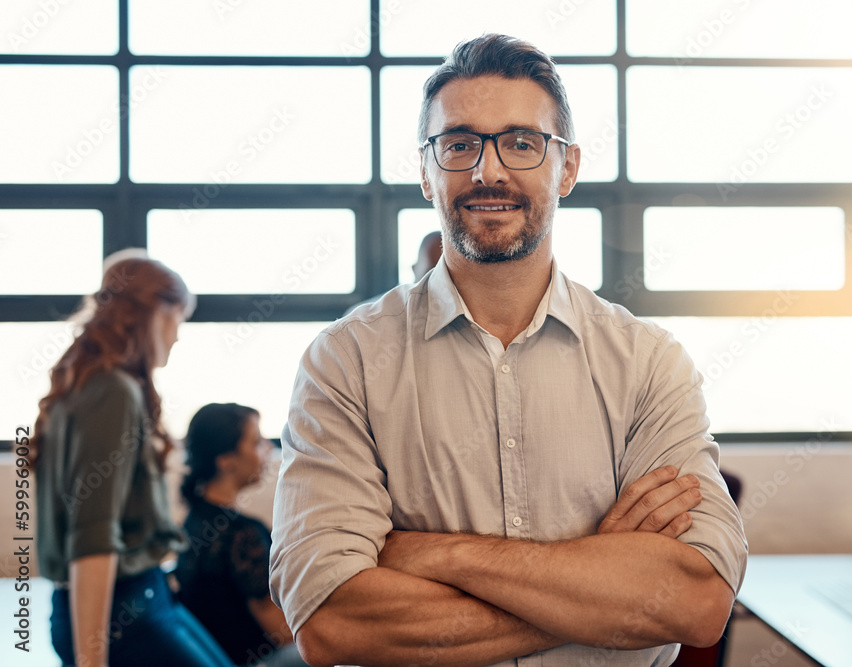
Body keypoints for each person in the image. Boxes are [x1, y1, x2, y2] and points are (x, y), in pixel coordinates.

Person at [271, 34, 748, 667]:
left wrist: (436, 553)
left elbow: (696, 602)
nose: (488, 170)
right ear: (425, 170)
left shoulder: (649, 362)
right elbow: (332, 621)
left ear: (567, 167)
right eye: (459, 144)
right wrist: (599, 594)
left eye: (522, 143)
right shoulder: (346, 362)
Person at [32, 251, 232, 667]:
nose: (177, 336)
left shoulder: (80, 385)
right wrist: (92, 660)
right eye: (178, 318)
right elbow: (93, 535)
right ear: (153, 312)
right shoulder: (113, 391)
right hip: (122, 611)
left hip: (139, 597)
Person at [176, 403, 306, 667]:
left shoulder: (194, 519)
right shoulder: (240, 533)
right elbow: (281, 631)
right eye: (257, 443)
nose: (268, 449)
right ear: (226, 460)